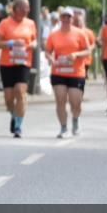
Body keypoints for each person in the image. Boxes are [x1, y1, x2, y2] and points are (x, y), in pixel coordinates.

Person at [0, 0, 37, 138]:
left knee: (20, 91)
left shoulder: (30, 23)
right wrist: (12, 43)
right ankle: (14, 115)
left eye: (28, 8)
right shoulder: (5, 23)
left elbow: (35, 41)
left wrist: (32, 45)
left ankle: (18, 125)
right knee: (8, 98)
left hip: (23, 62)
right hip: (7, 64)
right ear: (16, 9)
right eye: (25, 7)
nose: (27, 10)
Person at [44, 7, 91, 137]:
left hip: (76, 73)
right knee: (60, 100)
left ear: (72, 19)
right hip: (58, 72)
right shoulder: (54, 35)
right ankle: (63, 128)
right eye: (63, 17)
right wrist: (51, 58)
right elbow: (48, 51)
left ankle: (75, 121)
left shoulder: (80, 33)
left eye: (68, 17)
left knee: (75, 102)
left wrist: (76, 54)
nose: (66, 19)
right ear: (60, 18)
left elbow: (88, 50)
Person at [72, 10, 96, 90]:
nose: (78, 22)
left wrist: (89, 48)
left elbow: (93, 44)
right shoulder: (73, 31)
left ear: (83, 21)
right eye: (77, 21)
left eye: (80, 21)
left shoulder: (89, 32)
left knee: (82, 76)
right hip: (75, 59)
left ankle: (79, 90)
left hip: (86, 59)